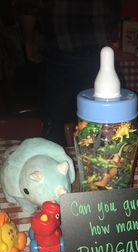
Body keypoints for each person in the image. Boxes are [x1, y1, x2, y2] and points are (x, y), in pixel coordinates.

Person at [15, 0, 122, 145]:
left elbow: (29, 7)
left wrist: (28, 42)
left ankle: (57, 160)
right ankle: (104, 158)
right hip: (98, 50)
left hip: (63, 49)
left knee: (58, 120)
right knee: (106, 118)